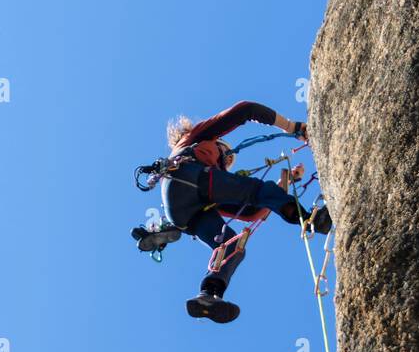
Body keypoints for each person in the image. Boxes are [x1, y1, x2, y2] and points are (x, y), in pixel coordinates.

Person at [131, 101, 332, 324]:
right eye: (225, 154)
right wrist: (292, 126)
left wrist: (284, 183)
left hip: (183, 212)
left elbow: (253, 212)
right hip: (188, 177)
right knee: (254, 189)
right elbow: (245, 109)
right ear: (218, 144)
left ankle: (209, 294)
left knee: (232, 247)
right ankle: (310, 218)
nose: (226, 161)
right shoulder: (196, 138)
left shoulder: (214, 183)